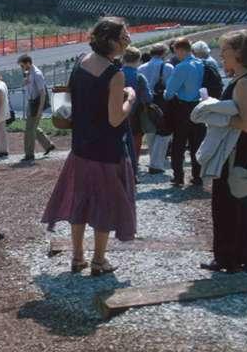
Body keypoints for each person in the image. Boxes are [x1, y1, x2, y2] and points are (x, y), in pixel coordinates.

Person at [42, 17, 137, 276]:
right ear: (112, 41)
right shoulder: (114, 74)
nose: (128, 39)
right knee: (105, 204)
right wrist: (131, 98)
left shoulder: (81, 61)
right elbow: (115, 118)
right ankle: (99, 261)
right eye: (124, 36)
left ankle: (77, 257)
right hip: (107, 150)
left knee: (80, 202)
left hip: (81, 145)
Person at [202, 30, 247, 273]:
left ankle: (228, 258)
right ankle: (241, 257)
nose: (221, 56)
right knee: (239, 202)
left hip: (235, 152)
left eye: (225, 52)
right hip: (240, 150)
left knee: (227, 204)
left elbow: (246, 122)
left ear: (238, 53)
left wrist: (216, 117)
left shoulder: (245, 82)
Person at [164, 37, 205, 187]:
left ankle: (178, 177)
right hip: (199, 107)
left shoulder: (181, 67)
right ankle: (197, 176)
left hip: (183, 108)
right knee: (197, 143)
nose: (176, 55)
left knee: (178, 144)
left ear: (180, 50)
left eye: (176, 52)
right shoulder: (201, 64)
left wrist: (166, 94)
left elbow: (169, 92)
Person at [138, 43, 175, 174]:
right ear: (164, 53)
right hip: (162, 103)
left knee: (150, 131)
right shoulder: (168, 67)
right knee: (164, 133)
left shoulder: (141, 67)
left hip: (145, 103)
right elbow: (170, 87)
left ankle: (153, 160)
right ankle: (156, 163)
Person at [17, 54, 56, 162]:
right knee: (33, 127)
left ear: (28, 63)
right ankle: (48, 145)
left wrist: (39, 110)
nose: (21, 68)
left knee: (29, 130)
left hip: (36, 104)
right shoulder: (27, 72)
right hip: (31, 102)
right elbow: (27, 86)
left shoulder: (37, 74)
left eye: (22, 66)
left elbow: (43, 93)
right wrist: (24, 82)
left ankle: (29, 154)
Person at [121, 46, 152, 179]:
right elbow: (147, 98)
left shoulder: (116, 73)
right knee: (134, 144)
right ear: (138, 60)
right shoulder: (139, 77)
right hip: (135, 116)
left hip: (117, 113)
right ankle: (132, 172)